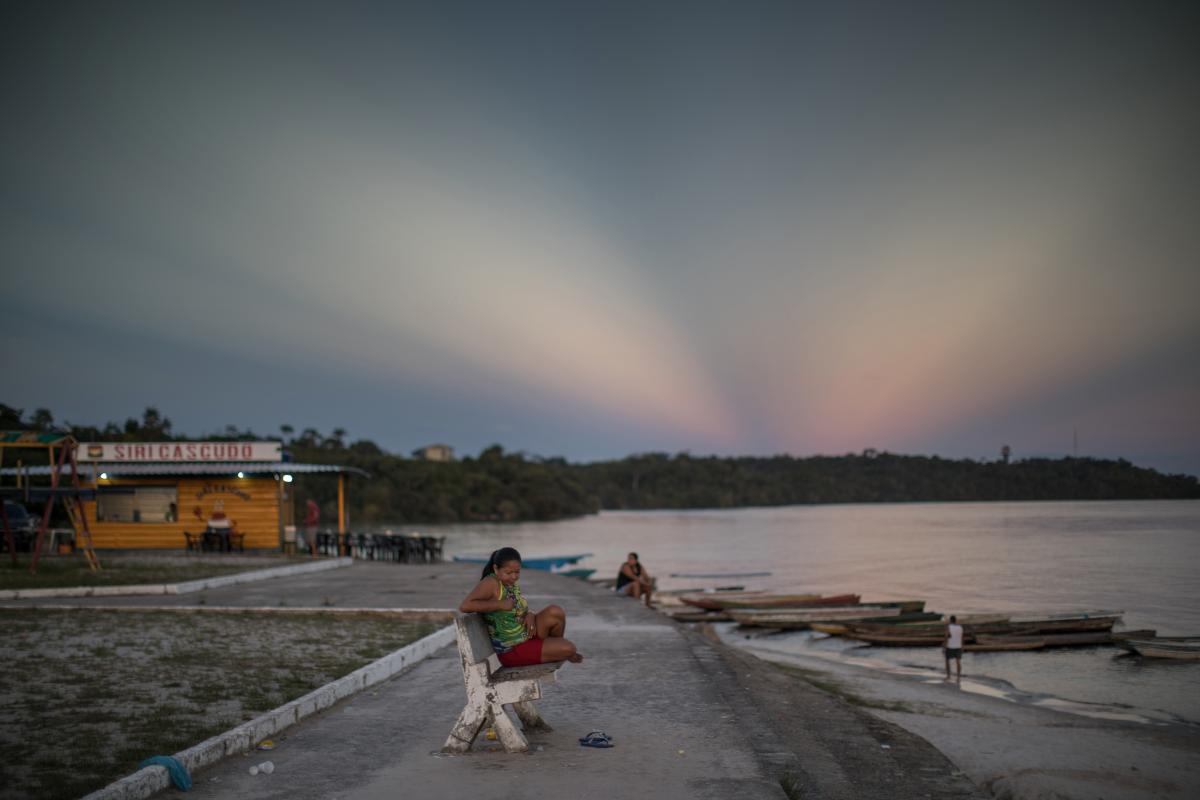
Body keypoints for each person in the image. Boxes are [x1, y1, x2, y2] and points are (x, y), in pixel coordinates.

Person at [459, 547, 583, 666]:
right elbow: (465, 606)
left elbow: (518, 609)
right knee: (569, 648)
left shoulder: (510, 583)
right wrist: (499, 604)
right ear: (496, 569)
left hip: (525, 635)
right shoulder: (491, 583)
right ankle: (558, 651)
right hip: (512, 650)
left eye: (517, 572)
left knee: (555, 612)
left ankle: (555, 651)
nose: (514, 577)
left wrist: (530, 614)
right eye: (508, 572)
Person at [943, 615, 964, 679]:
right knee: (958, 661)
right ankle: (958, 676)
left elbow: (946, 637)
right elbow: (962, 638)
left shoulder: (949, 627)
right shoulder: (960, 627)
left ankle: (948, 675)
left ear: (950, 620)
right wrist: (962, 646)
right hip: (958, 646)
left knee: (947, 660)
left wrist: (944, 646)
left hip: (950, 646)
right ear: (955, 620)